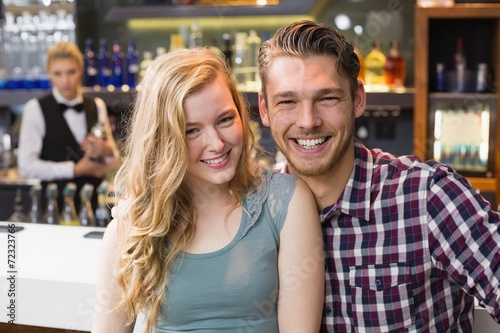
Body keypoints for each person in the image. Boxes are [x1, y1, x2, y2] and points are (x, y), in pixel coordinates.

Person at [257, 20, 500, 332]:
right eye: (287, 101)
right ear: (264, 108)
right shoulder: (254, 211)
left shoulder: (428, 197)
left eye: (327, 98)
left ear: (358, 98)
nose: (308, 121)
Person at [91, 48, 324, 333]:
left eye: (225, 119)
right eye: (191, 131)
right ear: (164, 139)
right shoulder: (132, 224)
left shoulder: (286, 201)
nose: (216, 143)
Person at [18, 41, 120, 212]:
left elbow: (114, 160)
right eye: (58, 73)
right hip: (54, 205)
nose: (65, 80)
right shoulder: (34, 108)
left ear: (80, 70)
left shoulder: (97, 105)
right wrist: (75, 170)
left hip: (96, 203)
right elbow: (26, 166)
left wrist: (106, 151)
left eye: (71, 72)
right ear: (49, 74)